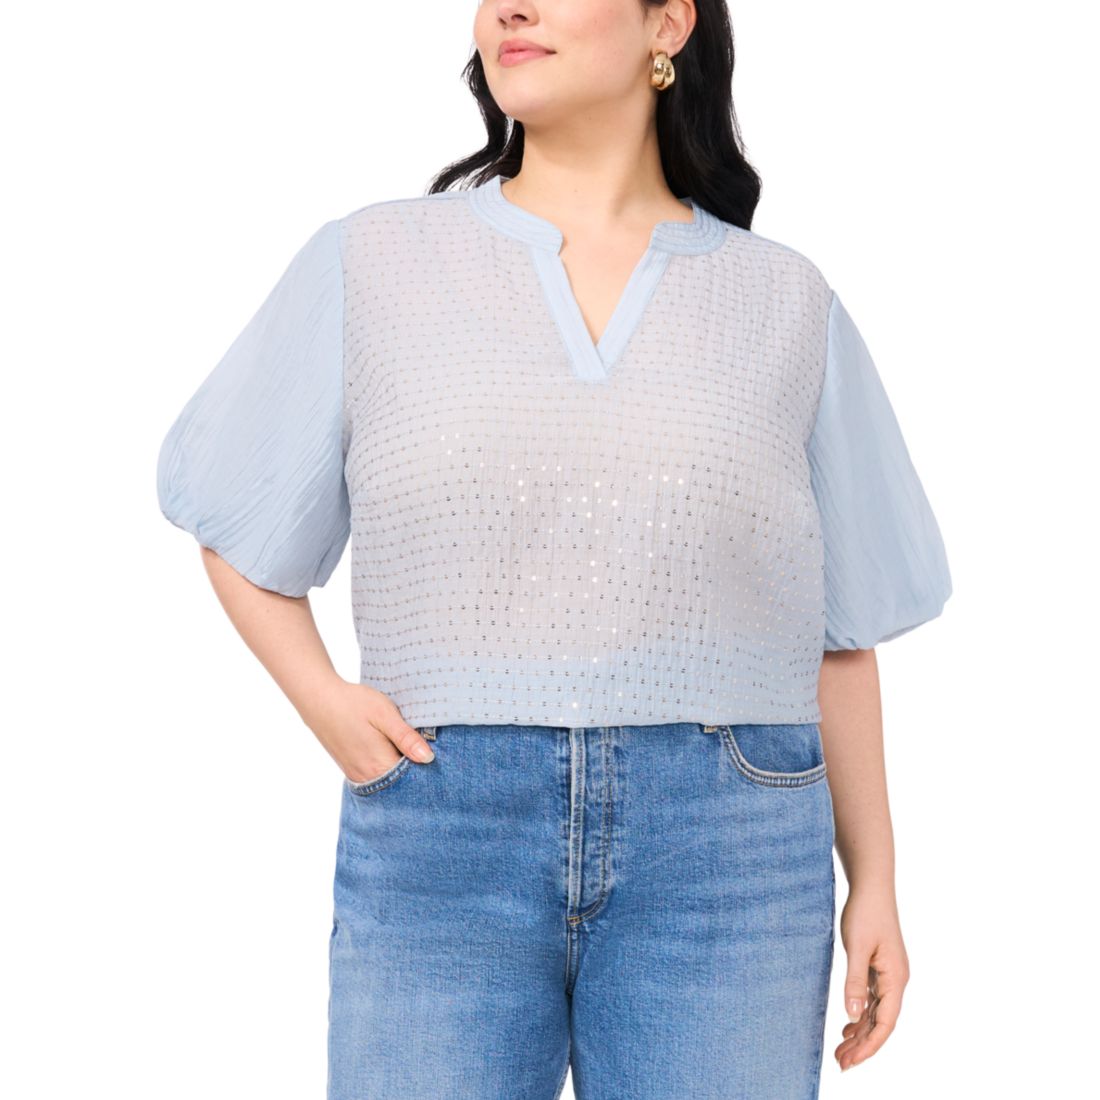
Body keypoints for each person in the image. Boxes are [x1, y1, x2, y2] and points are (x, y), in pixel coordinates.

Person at [155, 1, 952, 1096]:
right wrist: (324, 702)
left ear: (667, 23)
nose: (509, 8)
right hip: (441, 825)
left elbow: (838, 629)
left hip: (729, 849)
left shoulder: (783, 301)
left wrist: (877, 881)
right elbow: (237, 518)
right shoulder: (375, 260)